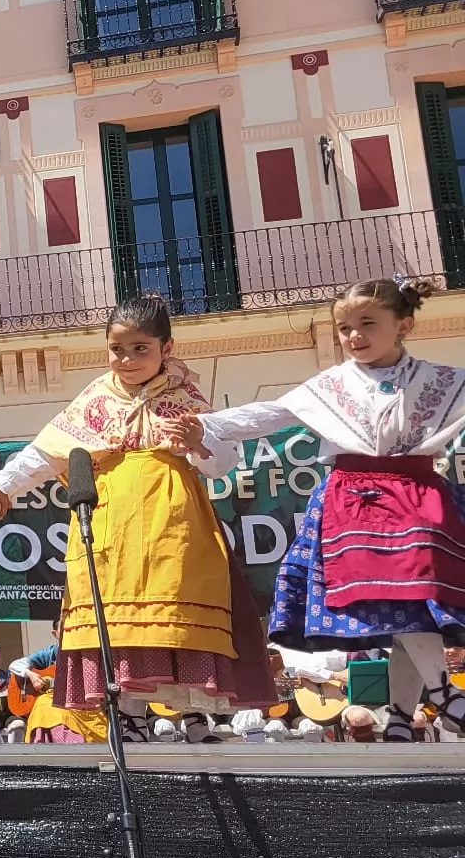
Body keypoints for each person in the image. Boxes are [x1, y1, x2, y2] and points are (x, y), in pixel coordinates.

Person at [172, 278, 465, 742]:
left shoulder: (443, 381)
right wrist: (204, 426)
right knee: (407, 604)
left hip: (420, 496)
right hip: (355, 501)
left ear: (403, 324)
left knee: (413, 607)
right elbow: (268, 414)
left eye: (368, 323)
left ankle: (403, 717)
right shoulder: (332, 386)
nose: (354, 335)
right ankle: (440, 694)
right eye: (344, 327)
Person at [0, 296, 278, 742]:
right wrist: (2, 486)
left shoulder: (187, 397)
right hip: (109, 517)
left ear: (166, 348)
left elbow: (224, 463)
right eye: (118, 348)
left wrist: (199, 441)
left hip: (173, 519)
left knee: (174, 614)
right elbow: (45, 451)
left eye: (140, 348)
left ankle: (192, 717)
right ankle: (130, 715)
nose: (127, 359)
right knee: (115, 619)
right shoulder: (95, 398)